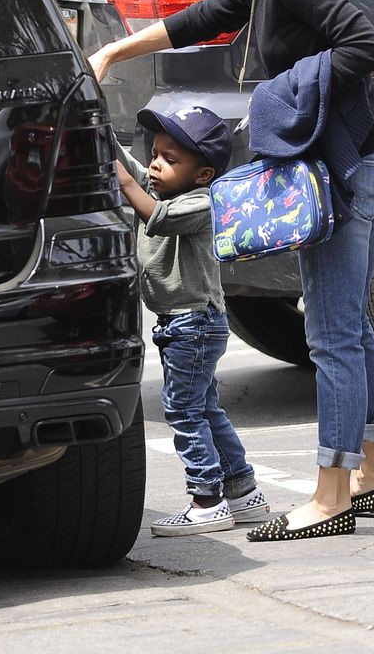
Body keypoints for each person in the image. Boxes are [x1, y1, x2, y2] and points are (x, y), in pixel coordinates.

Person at [91, 0, 374, 542]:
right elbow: (205, 19)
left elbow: (364, 46)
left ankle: (331, 495)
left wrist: (283, 97)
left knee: (329, 335)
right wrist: (114, 49)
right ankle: (371, 476)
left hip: (351, 165)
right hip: (356, 159)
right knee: (347, 326)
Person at [116, 103, 270, 536]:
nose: (154, 164)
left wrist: (126, 180)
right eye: (155, 153)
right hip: (181, 323)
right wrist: (97, 127)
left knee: (182, 411)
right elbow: (127, 164)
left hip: (194, 323)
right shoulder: (162, 186)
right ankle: (243, 492)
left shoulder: (203, 201)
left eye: (170, 159)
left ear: (202, 173)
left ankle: (206, 500)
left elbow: (158, 219)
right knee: (205, 408)